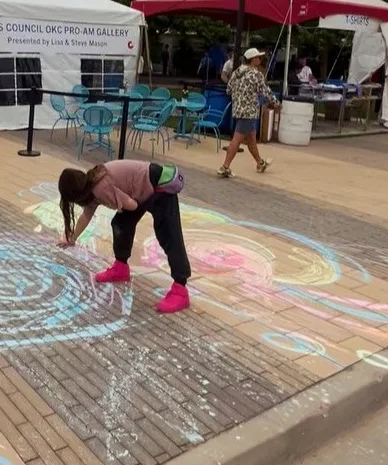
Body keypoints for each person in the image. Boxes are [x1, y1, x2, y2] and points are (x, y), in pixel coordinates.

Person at [57, 161, 191, 315]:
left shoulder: (99, 188)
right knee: (120, 223)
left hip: (158, 186)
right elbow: (86, 215)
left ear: (76, 195)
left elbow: (132, 205)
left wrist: (122, 203)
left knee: (168, 234)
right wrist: (71, 238)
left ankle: (180, 289)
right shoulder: (90, 185)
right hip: (140, 190)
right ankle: (121, 268)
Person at [218, 48, 277, 178]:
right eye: (258, 57)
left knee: (251, 139)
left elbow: (228, 90)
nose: (260, 60)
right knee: (237, 139)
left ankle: (260, 163)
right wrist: (276, 103)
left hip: (238, 109)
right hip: (249, 112)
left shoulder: (237, 72)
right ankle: (225, 166)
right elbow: (265, 91)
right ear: (253, 59)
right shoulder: (256, 74)